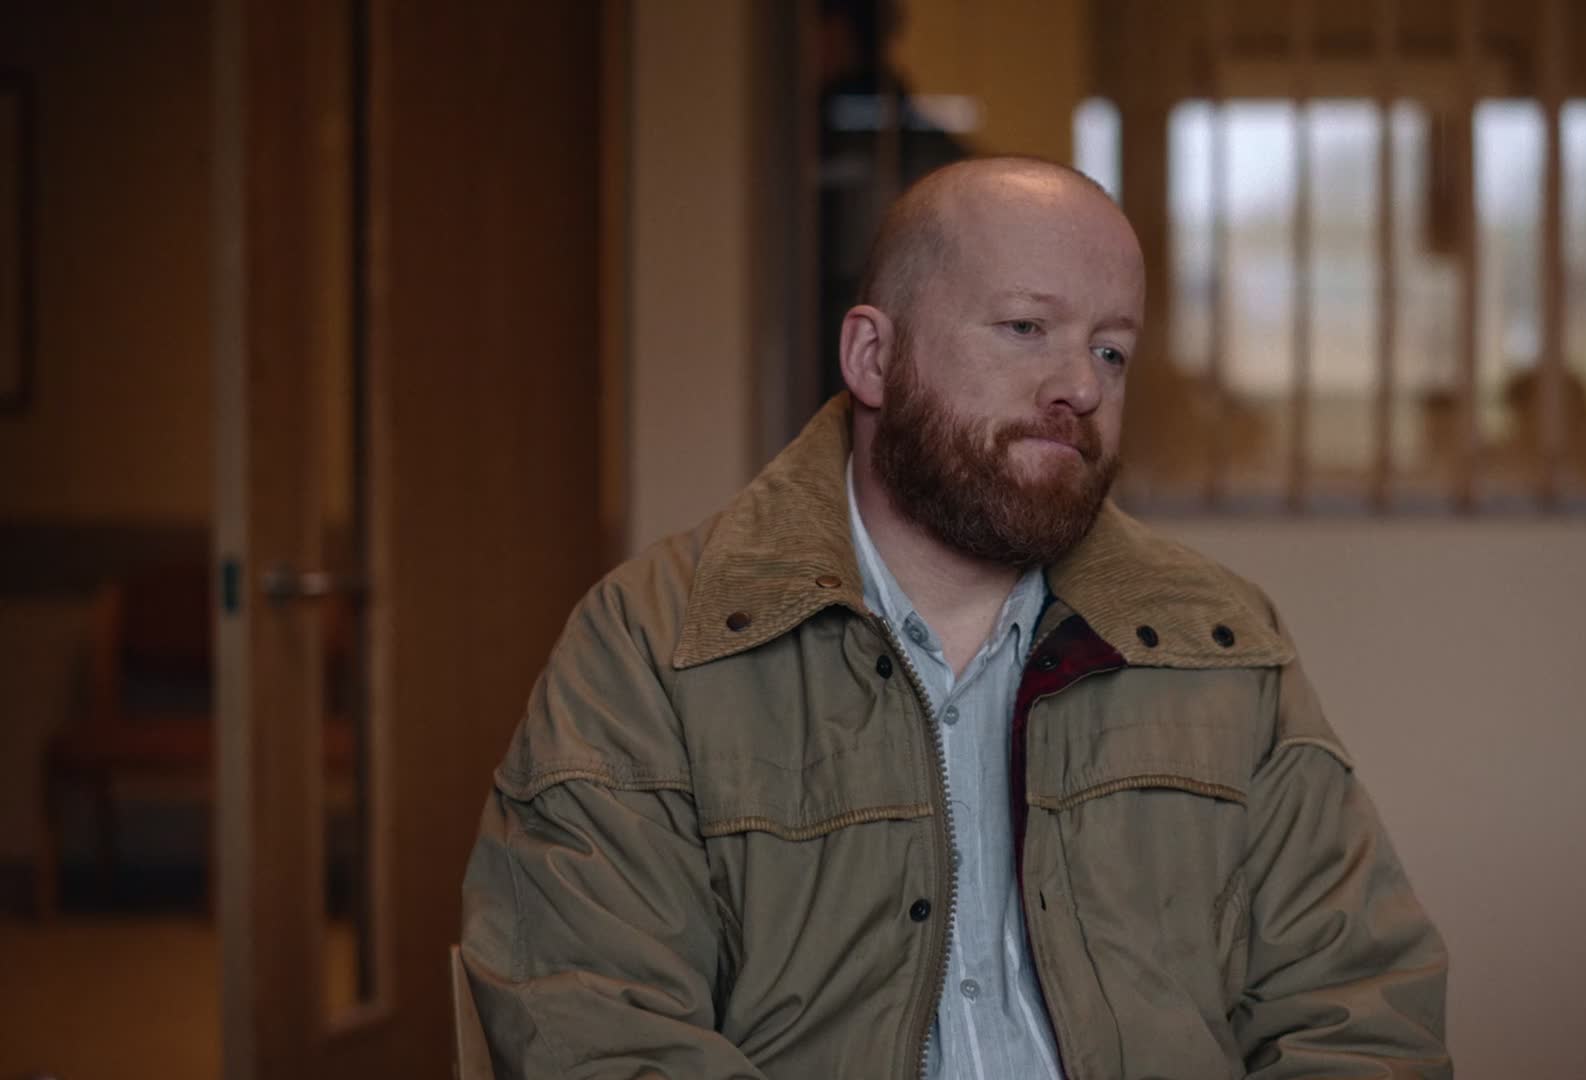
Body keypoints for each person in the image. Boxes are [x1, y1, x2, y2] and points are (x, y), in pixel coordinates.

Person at [460, 156, 1450, 1079]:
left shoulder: (1220, 644)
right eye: (1025, 328)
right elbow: (599, 1029)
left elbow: (1359, 1011)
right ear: (873, 356)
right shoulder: (652, 644)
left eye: (1111, 350)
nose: (1081, 386)